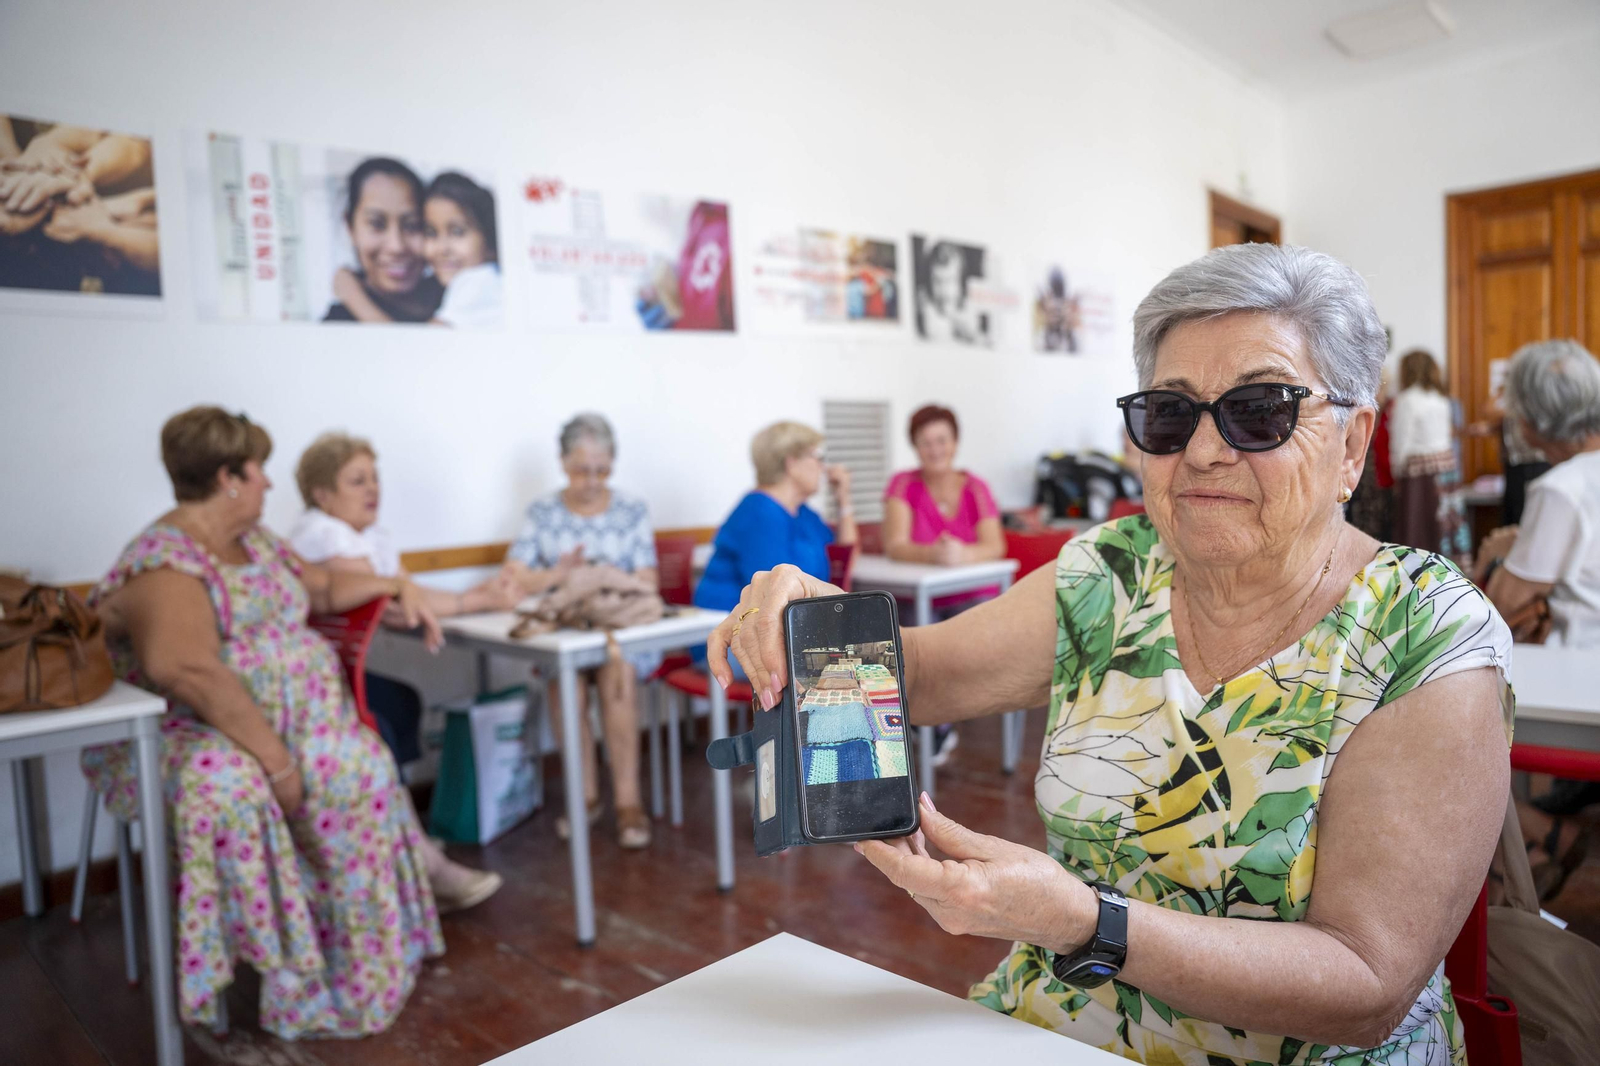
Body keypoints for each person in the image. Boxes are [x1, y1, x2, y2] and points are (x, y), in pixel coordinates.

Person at [710, 244, 1513, 1065]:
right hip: (1049, 1026)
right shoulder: (1111, 574)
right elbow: (917, 671)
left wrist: (1087, 923)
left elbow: (1367, 986)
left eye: (1261, 411)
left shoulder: (1425, 635)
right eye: (1169, 415)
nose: (1203, 451)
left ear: (1352, 445)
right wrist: (814, 617)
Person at [81, 407, 451, 1038]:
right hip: (197, 734)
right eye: (260, 471)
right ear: (229, 476)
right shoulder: (165, 561)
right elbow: (186, 671)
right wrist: (276, 759)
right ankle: (288, 984)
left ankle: (363, 966)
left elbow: (326, 588)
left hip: (291, 725)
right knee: (239, 789)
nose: (269, 485)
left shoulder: (258, 542)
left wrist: (396, 583)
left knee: (358, 762)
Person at [289, 430, 515, 909]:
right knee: (384, 721)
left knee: (402, 701)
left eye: (374, 477)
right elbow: (393, 603)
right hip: (305, 686)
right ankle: (420, 862)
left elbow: (404, 594)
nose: (373, 489)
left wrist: (479, 598)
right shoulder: (321, 536)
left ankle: (397, 840)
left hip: (337, 676)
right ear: (322, 494)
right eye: (357, 481)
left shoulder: (365, 538)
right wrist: (416, 594)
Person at [501, 414, 660, 849]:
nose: (591, 480)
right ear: (562, 463)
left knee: (617, 672)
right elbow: (514, 578)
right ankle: (584, 796)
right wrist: (559, 573)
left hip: (617, 635)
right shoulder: (543, 513)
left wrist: (601, 580)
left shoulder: (631, 511)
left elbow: (648, 581)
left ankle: (628, 803)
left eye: (601, 470)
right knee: (564, 682)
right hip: (568, 635)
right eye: (580, 469)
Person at [1474, 340, 1600, 889]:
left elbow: (1502, 602)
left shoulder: (1560, 488)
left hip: (1573, 677)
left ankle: (1543, 839)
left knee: (1461, 729)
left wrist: (1499, 554)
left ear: (1532, 416)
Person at [882, 404, 1005, 765]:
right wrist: (933, 555)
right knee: (902, 633)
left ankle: (932, 719)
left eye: (941, 440)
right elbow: (895, 545)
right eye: (925, 443)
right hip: (917, 597)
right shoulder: (902, 485)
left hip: (970, 597)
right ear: (915, 447)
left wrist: (962, 555)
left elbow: (995, 545)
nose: (935, 449)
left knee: (951, 636)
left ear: (954, 442)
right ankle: (928, 721)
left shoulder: (976, 487)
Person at [694, 420, 858, 627]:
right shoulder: (759, 513)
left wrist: (843, 498)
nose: (823, 467)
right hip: (737, 631)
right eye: (817, 457)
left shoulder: (802, 513)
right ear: (791, 463)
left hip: (788, 625)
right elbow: (774, 597)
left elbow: (847, 555)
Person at [332, 171, 501, 328]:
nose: (442, 248)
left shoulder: (477, 283)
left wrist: (353, 296)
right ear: (349, 226)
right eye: (431, 233)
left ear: (491, 244)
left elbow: (414, 348)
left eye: (457, 232)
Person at [323, 157, 443, 323]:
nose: (397, 246)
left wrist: (354, 296)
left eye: (412, 225)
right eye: (377, 224)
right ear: (350, 227)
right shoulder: (339, 322)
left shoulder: (457, 298)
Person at [1388, 349, 1465, 557]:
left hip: (1419, 476)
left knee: (1419, 528)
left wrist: (1396, 469)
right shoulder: (1441, 399)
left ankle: (1418, 571)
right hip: (1447, 471)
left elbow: (1401, 441)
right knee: (1443, 527)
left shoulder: (1406, 400)